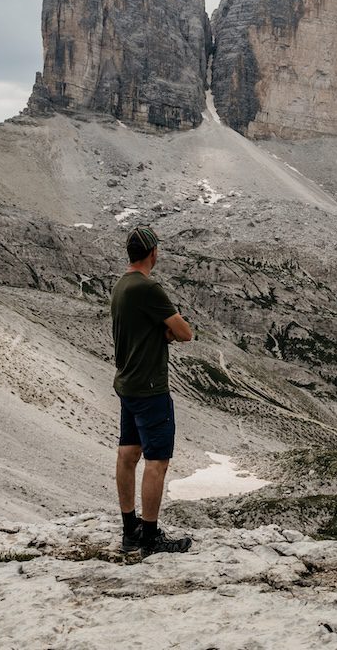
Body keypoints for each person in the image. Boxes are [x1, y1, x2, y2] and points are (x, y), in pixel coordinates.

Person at [112, 225, 194, 555]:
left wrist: (162, 332)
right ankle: (150, 537)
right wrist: (168, 333)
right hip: (150, 388)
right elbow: (185, 332)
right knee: (157, 462)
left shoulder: (121, 286)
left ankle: (129, 529)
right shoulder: (148, 289)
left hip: (128, 383)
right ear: (153, 253)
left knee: (128, 454)